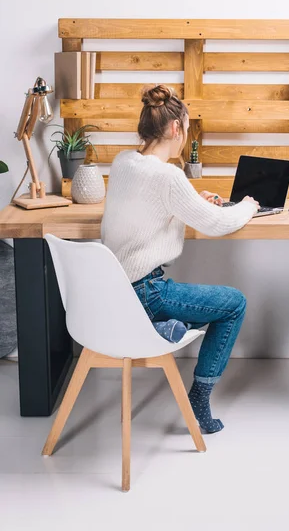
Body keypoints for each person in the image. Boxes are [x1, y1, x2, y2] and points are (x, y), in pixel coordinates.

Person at [101, 84, 259, 433]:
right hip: (147, 292)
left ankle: (164, 328)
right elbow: (218, 223)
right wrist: (248, 207)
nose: (186, 136)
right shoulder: (169, 176)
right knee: (234, 304)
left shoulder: (124, 162)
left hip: (115, 293)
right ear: (176, 129)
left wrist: (189, 200)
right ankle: (198, 398)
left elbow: (149, 208)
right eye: (186, 129)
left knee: (208, 305)